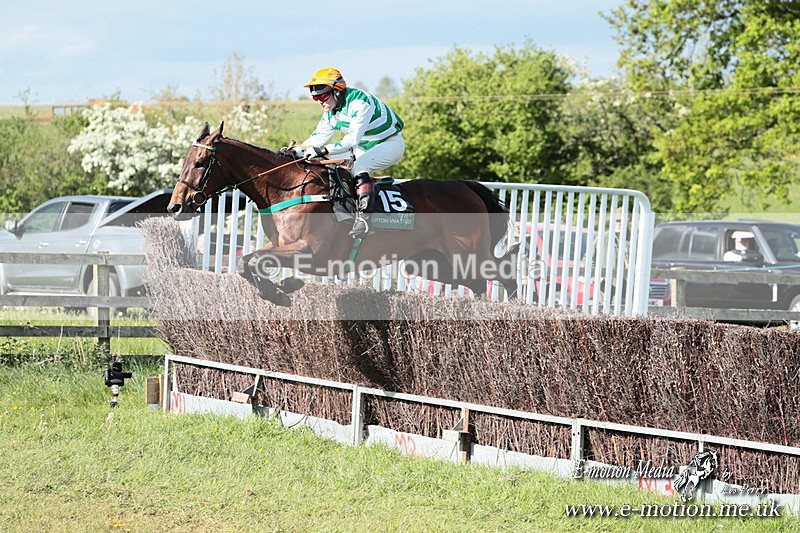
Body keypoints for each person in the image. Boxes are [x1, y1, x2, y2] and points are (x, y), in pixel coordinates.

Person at [291, 67, 405, 237]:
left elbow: (352, 140)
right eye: (315, 97)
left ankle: (365, 220)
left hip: (389, 143)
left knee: (359, 166)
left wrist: (323, 149)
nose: (319, 101)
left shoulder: (359, 103)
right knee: (332, 165)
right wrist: (295, 152)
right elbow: (316, 139)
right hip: (363, 147)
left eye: (322, 96)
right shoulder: (330, 113)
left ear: (337, 92)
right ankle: (344, 212)